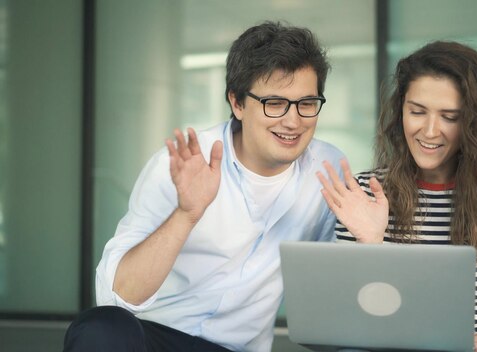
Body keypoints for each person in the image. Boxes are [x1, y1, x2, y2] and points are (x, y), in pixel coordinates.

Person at [64, 21, 344, 352]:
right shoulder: (184, 164)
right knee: (101, 330)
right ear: (237, 103)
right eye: (274, 103)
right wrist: (186, 213)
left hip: (237, 349)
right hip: (156, 336)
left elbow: (333, 308)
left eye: (306, 103)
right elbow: (117, 296)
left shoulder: (327, 169)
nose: (293, 120)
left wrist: (367, 242)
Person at [317, 41, 477, 352]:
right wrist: (371, 244)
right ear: (401, 109)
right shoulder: (364, 195)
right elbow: (347, 314)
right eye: (417, 111)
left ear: (474, 122)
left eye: (450, 117)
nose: (430, 131)